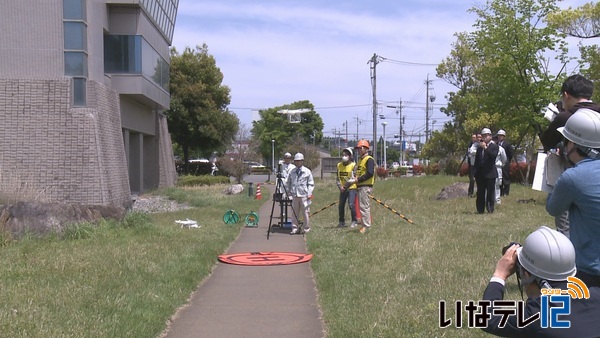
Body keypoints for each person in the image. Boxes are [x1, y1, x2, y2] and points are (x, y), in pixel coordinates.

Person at [481, 226, 600, 337]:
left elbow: (486, 319)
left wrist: (499, 275)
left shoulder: (537, 314)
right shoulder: (595, 294)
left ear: (526, 275)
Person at [540, 75, 600, 236]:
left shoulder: (565, 117)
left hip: (573, 174)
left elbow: (547, 141)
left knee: (565, 223)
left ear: (566, 95)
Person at [546, 108, 600, 287]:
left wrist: (555, 178)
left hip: (590, 270)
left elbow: (553, 208)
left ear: (574, 144)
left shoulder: (573, 177)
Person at [347, 140, 375, 234]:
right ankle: (364, 224)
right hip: (360, 186)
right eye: (358, 149)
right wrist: (353, 178)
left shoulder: (369, 159)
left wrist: (358, 180)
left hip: (365, 186)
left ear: (366, 149)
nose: (359, 150)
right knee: (361, 206)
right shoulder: (360, 160)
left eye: (360, 148)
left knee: (364, 206)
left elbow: (370, 173)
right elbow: (357, 172)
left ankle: (366, 226)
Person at [286, 152, 314, 235]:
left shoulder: (307, 171)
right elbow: (288, 182)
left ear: (302, 161)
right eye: (296, 161)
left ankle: (306, 228)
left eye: (299, 161)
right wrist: (289, 191)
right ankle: (295, 228)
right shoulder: (292, 171)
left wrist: (309, 193)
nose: (297, 162)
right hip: (294, 195)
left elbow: (311, 183)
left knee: (305, 212)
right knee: (294, 212)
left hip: (304, 195)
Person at [474, 128, 498, 213]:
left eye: (486, 136)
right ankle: (480, 209)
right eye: (483, 136)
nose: (484, 138)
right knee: (480, 192)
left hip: (490, 173)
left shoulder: (494, 146)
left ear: (490, 136)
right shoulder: (479, 148)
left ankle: (490, 208)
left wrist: (486, 148)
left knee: (490, 192)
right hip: (481, 174)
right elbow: (477, 161)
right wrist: (475, 173)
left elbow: (493, 156)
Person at [336, 147, 357, 227]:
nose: (344, 156)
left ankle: (354, 220)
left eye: (346, 155)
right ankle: (341, 221)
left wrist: (345, 186)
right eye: (343, 154)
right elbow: (337, 178)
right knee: (341, 205)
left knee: (351, 204)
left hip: (351, 187)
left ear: (350, 156)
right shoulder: (339, 165)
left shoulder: (353, 165)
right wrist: (340, 187)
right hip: (342, 189)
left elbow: (353, 178)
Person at [496, 129, 513, 196]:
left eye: (501, 136)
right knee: (499, 177)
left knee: (506, 177)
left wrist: (507, 161)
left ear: (504, 137)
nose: (499, 137)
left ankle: (506, 192)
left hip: (505, 163)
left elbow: (510, 154)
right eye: (499, 136)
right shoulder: (496, 144)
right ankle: (500, 191)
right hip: (499, 163)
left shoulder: (507, 144)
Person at [493, 135, 507, 204]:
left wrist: (501, 165)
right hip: (490, 168)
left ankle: (497, 199)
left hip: (497, 167)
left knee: (497, 183)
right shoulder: (487, 148)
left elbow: (504, 159)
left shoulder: (500, 149)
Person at [467, 133, 481, 198]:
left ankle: (479, 193)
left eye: (480, 137)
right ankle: (470, 193)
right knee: (472, 179)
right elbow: (471, 151)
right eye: (477, 137)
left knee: (480, 180)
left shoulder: (483, 144)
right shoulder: (474, 145)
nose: (478, 138)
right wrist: (478, 153)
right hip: (473, 164)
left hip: (480, 165)